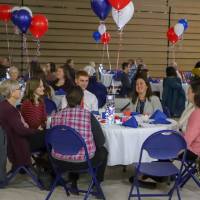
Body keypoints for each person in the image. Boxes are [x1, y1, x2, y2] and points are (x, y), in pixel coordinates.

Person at [50, 86, 108, 193]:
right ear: (82, 100)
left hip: (58, 160)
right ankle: (96, 183)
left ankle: (73, 180)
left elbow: (53, 139)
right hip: (83, 162)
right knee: (103, 151)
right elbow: (100, 141)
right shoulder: (88, 116)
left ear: (66, 99)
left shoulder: (55, 116)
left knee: (71, 146)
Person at [0, 80, 45, 169]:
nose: (21, 90)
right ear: (12, 92)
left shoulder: (4, 105)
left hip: (14, 140)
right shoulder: (10, 110)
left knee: (47, 136)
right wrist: (36, 131)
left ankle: (43, 165)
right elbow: (21, 131)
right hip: (19, 143)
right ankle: (48, 168)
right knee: (50, 138)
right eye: (19, 89)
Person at [183, 78, 200, 160]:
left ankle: (162, 171)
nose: (187, 92)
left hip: (195, 152)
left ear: (195, 93)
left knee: (164, 146)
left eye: (189, 91)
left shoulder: (196, 114)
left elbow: (187, 140)